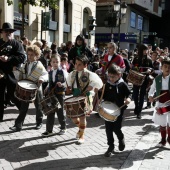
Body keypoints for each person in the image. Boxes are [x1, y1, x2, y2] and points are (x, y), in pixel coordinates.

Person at [9, 45, 48, 131]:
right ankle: (18, 125)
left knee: (38, 107)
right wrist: (15, 71)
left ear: (37, 56)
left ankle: (39, 122)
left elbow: (45, 74)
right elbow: (21, 75)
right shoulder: (25, 64)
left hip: (37, 89)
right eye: (28, 54)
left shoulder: (39, 65)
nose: (29, 56)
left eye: (32, 55)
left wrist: (42, 79)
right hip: (26, 89)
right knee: (23, 108)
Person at [66, 55, 103, 144]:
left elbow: (99, 82)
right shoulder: (72, 74)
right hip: (75, 96)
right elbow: (67, 83)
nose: (77, 66)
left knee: (82, 116)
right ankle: (80, 129)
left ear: (85, 65)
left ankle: (82, 135)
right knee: (74, 118)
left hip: (85, 97)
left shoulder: (90, 74)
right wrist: (67, 87)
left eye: (79, 64)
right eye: (76, 64)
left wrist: (92, 86)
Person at [98, 63, 131, 157]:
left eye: (113, 76)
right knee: (108, 130)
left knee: (117, 129)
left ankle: (121, 138)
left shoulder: (122, 84)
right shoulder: (107, 85)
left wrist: (128, 99)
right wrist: (98, 92)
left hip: (119, 110)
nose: (111, 78)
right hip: (108, 111)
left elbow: (129, 94)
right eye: (109, 76)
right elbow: (102, 97)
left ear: (119, 75)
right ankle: (110, 146)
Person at [0, 22, 25, 122]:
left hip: (11, 73)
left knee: (13, 94)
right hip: (0, 72)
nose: (8, 33)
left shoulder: (16, 44)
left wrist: (9, 58)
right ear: (2, 32)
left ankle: (23, 111)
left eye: (10, 31)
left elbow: (22, 57)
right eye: (6, 31)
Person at [42, 54, 68, 137]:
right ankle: (49, 130)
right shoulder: (50, 72)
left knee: (60, 112)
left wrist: (63, 84)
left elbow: (68, 82)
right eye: (54, 62)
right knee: (50, 111)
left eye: (57, 62)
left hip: (60, 94)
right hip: (51, 94)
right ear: (51, 63)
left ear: (60, 62)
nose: (55, 63)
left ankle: (63, 127)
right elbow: (50, 82)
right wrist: (46, 87)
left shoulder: (63, 72)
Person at [148, 59, 170, 147]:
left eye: (169, 67)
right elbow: (152, 89)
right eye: (165, 67)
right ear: (161, 68)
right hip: (161, 103)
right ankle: (163, 140)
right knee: (163, 123)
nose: (167, 69)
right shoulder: (157, 79)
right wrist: (150, 96)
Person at [132, 44, 153, 119]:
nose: (146, 51)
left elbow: (151, 68)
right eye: (144, 50)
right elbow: (132, 67)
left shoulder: (149, 59)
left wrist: (149, 70)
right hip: (136, 78)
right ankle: (136, 106)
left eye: (146, 50)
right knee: (135, 94)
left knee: (142, 95)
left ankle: (139, 111)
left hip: (145, 79)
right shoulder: (136, 58)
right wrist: (135, 68)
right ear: (141, 50)